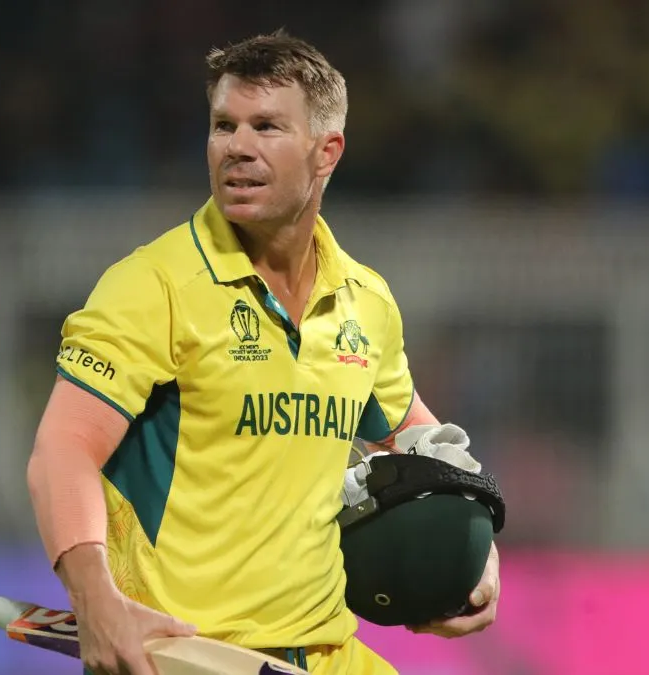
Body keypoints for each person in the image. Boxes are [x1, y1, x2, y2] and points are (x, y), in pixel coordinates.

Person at [26, 30, 500, 675]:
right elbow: (63, 449)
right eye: (224, 125)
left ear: (326, 152)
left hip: (325, 654)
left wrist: (472, 552)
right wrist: (95, 599)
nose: (237, 147)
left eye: (267, 127)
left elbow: (421, 444)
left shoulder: (365, 300)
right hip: (186, 656)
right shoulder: (153, 286)